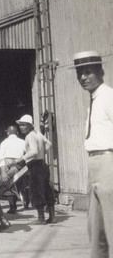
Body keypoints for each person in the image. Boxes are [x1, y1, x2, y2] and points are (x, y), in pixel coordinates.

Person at [73, 51, 113, 257]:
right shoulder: (93, 102)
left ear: (100, 71)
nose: (82, 78)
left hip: (108, 164)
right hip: (94, 166)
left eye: (88, 72)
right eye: (79, 73)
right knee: (95, 230)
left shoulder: (108, 97)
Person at [15, 114, 56, 225]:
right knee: (46, 189)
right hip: (42, 164)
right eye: (20, 125)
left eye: (23, 125)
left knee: (36, 191)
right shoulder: (38, 133)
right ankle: (52, 217)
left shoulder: (30, 136)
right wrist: (42, 154)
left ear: (29, 126)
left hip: (35, 166)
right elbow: (49, 144)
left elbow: (33, 151)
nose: (21, 127)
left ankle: (41, 218)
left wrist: (22, 158)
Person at [0, 125, 29, 214]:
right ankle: (24, 198)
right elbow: (27, 153)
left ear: (7, 133)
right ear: (17, 133)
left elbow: (1, 158)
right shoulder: (23, 142)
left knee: (7, 182)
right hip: (19, 165)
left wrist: (4, 171)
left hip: (6, 164)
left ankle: (13, 206)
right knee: (15, 181)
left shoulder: (3, 143)